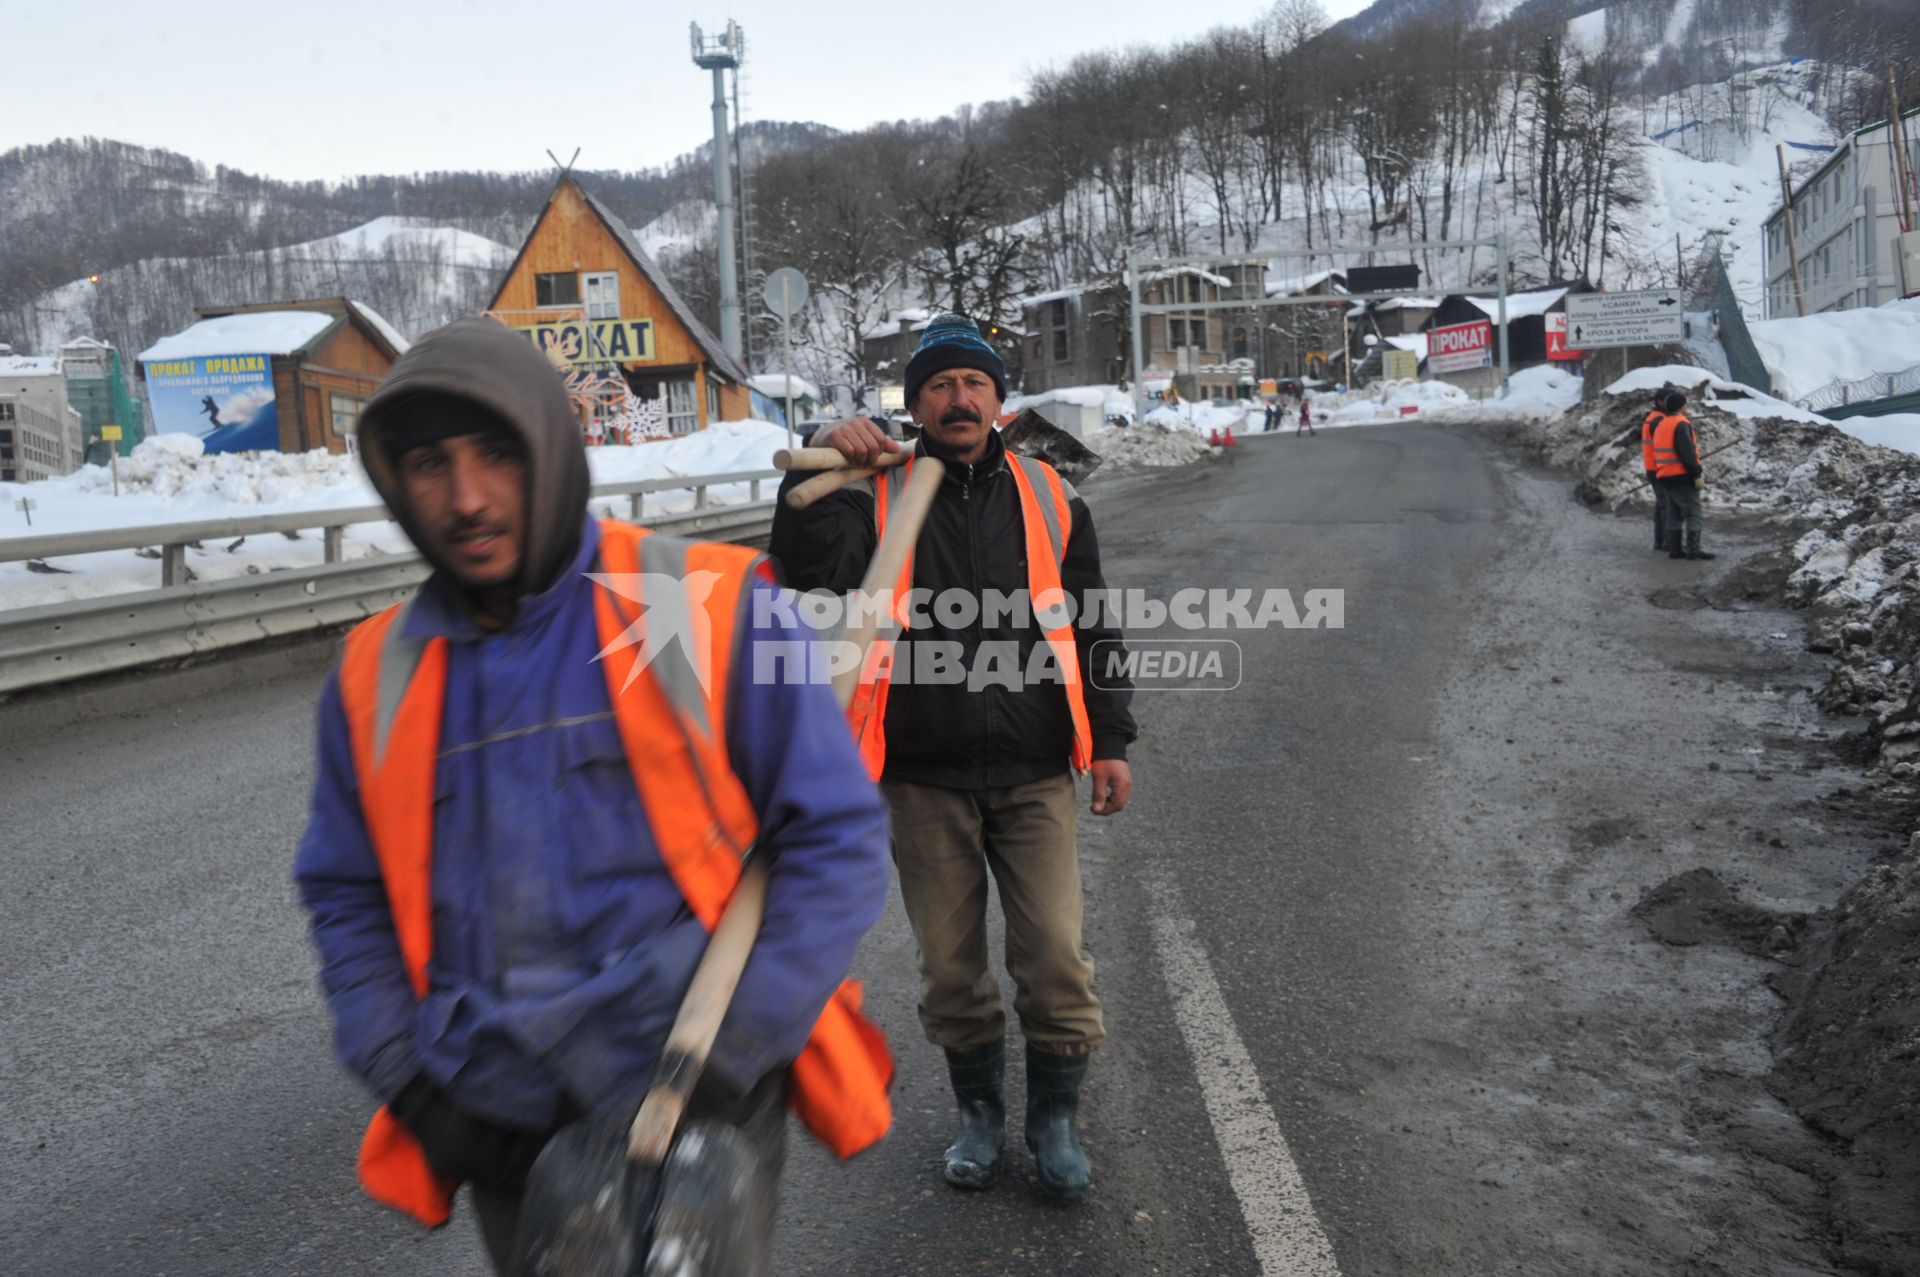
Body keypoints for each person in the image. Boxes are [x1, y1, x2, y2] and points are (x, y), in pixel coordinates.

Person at [293, 317, 894, 1275]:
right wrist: (415, 1085)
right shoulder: (376, 676)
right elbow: (344, 891)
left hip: (703, 1085)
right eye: (428, 464)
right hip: (501, 1120)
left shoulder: (713, 603)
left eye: (496, 453)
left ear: (551, 447)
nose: (467, 497)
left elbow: (834, 839)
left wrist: (731, 1057)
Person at [768, 312, 1137, 1200]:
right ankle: (979, 1114)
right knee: (951, 967)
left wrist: (1113, 738)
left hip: (1036, 766)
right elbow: (809, 576)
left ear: (1000, 401)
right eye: (939, 385)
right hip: (922, 776)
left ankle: (1054, 1120)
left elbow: (1088, 619)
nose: (959, 397)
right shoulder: (878, 492)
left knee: (1055, 956)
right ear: (918, 404)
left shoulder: (1051, 494)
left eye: (974, 383)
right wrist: (818, 464)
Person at [1650, 386, 1716, 561]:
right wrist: (1696, 474)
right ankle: (1693, 549)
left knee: (1674, 513)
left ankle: (1675, 549)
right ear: (1680, 407)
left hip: (1665, 476)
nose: (1686, 408)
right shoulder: (1680, 424)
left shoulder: (1661, 424)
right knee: (1693, 512)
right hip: (1682, 476)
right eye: (1685, 405)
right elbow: (1687, 452)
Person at [1640, 384, 1674, 552]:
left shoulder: (1653, 416)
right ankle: (1668, 543)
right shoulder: (1658, 420)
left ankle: (1659, 542)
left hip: (1653, 467)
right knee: (1667, 506)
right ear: (1660, 401)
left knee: (1661, 506)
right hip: (1660, 468)